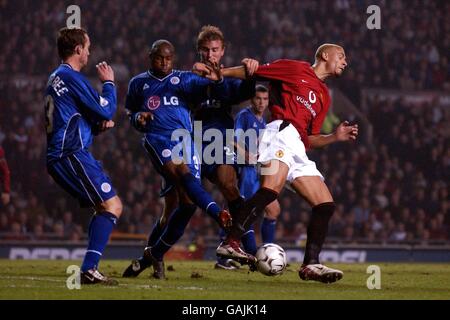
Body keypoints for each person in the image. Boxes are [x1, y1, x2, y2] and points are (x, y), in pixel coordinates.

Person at [196, 43, 358, 283]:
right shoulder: (296, 69)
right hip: (279, 133)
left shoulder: (323, 96)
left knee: (325, 205)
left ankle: (310, 265)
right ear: (325, 55)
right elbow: (256, 71)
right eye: (342, 56)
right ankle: (231, 242)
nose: (345, 61)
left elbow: (310, 138)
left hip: (298, 147)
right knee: (270, 191)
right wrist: (223, 74)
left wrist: (334, 137)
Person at [122, 39, 234, 279]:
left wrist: (218, 79)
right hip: (158, 138)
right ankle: (217, 214)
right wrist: (138, 118)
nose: (164, 62)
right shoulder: (138, 83)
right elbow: (130, 112)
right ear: (150, 57)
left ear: (173, 59)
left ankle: (150, 257)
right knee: (182, 174)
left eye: (168, 58)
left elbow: (214, 90)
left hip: (185, 140)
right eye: (159, 57)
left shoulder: (184, 79)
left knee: (184, 206)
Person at [45, 27, 122, 285]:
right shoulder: (71, 77)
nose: (89, 51)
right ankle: (89, 269)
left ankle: (90, 268)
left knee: (102, 207)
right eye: (87, 47)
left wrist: (95, 127)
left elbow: (70, 120)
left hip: (63, 154)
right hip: (70, 154)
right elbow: (107, 109)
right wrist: (109, 83)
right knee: (112, 205)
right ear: (78, 49)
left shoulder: (55, 77)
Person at [233, 85, 281, 259]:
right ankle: (252, 254)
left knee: (273, 209)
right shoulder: (244, 116)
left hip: (258, 171)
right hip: (246, 170)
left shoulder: (263, 122)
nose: (261, 102)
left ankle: (269, 253)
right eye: (258, 98)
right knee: (248, 212)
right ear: (252, 99)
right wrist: (245, 154)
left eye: (265, 99)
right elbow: (233, 140)